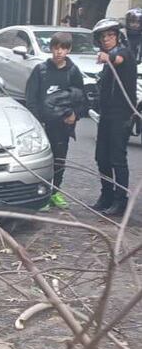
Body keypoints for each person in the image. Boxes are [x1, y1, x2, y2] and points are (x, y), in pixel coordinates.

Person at [24, 31, 86, 210]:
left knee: (59, 159)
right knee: (42, 159)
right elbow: (32, 98)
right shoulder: (41, 70)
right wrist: (37, 121)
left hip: (63, 125)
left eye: (64, 48)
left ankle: (55, 192)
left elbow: (81, 98)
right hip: (44, 124)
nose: (59, 52)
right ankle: (41, 194)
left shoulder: (73, 72)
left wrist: (75, 114)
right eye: (56, 48)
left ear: (69, 50)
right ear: (51, 48)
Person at [91, 18, 138, 217]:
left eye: (110, 35)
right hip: (107, 115)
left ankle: (121, 200)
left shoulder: (123, 53)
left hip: (122, 115)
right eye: (103, 37)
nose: (107, 39)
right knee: (101, 157)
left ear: (118, 37)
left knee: (117, 158)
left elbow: (118, 58)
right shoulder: (109, 57)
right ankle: (107, 195)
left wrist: (107, 57)